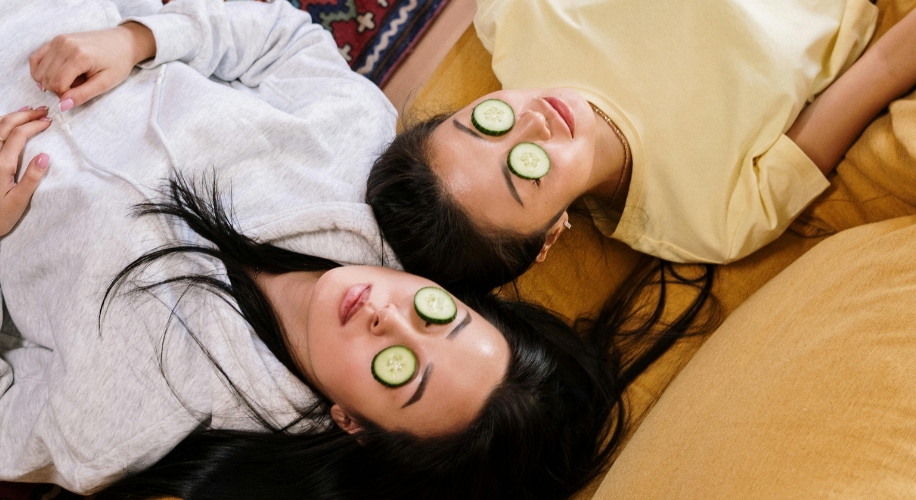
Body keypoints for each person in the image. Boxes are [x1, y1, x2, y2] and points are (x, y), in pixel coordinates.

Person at [0, 1, 706, 498]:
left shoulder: (122, 427)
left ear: (356, 425)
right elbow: (279, 38)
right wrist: (137, 38)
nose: (388, 320)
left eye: (398, 371)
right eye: (437, 315)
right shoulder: (359, 156)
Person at [368, 0, 916, 293]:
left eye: (484, 123)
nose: (531, 124)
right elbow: (881, 71)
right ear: (550, 236)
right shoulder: (713, 221)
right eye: (524, 169)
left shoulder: (513, 18)